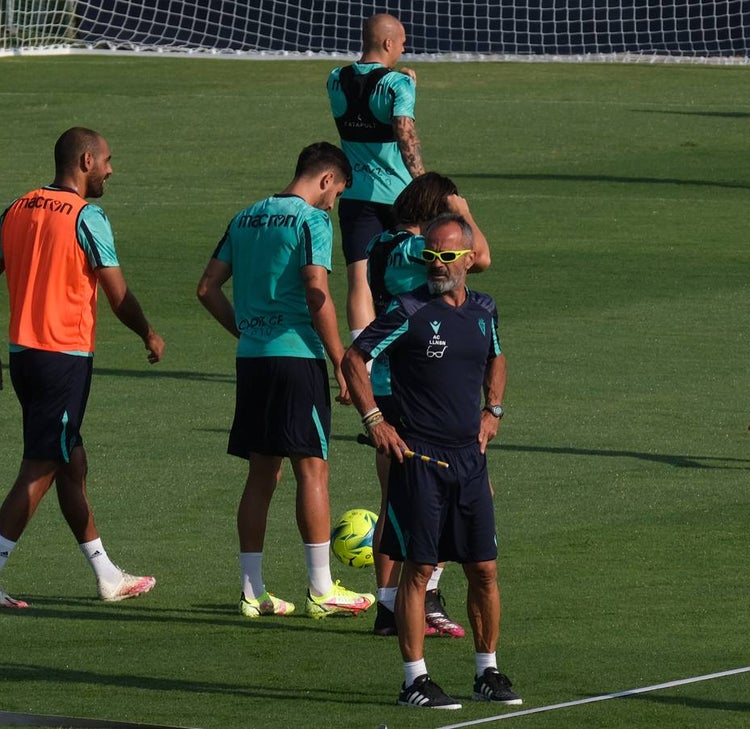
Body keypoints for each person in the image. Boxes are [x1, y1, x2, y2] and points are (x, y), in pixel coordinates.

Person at [0, 127, 165, 609]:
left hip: (25, 357)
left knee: (70, 462)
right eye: (107, 160)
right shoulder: (86, 217)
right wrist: (148, 333)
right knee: (40, 467)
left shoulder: (18, 208)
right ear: (85, 161)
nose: (111, 170)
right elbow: (117, 294)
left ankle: (106, 575)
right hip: (63, 360)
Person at [343, 214, 520, 709]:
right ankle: (414, 681)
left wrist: (493, 409)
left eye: (446, 256)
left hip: (470, 460)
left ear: (469, 258)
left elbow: (496, 355)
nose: (436, 265)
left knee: (484, 569)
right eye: (429, 256)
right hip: (420, 459)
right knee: (419, 570)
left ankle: (487, 672)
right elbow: (353, 359)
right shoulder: (408, 310)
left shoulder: (484, 309)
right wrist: (375, 421)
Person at [197, 142, 376, 619]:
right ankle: (321, 588)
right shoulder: (311, 220)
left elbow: (207, 288)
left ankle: (252, 592)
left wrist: (245, 330)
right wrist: (340, 360)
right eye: (337, 192)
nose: (333, 204)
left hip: (252, 360)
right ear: (326, 179)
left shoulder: (245, 217)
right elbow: (317, 291)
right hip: (297, 359)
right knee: (312, 468)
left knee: (262, 474)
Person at [363, 173, 491, 640]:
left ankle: (388, 606)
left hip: (384, 378)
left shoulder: (379, 244)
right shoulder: (419, 250)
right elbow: (481, 258)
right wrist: (465, 213)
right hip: (415, 384)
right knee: (454, 495)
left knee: (394, 501)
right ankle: (426, 596)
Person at [327, 13, 425, 345]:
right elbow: (404, 133)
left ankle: (363, 359)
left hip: (356, 197)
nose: (403, 49)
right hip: (400, 197)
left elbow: (362, 102)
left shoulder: (335, 80)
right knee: (410, 271)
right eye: (402, 43)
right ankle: (411, 349)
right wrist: (423, 182)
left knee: (359, 279)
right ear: (387, 43)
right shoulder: (398, 85)